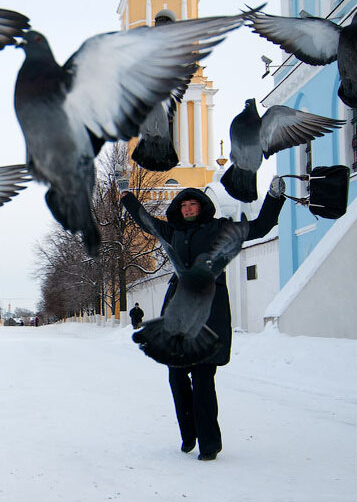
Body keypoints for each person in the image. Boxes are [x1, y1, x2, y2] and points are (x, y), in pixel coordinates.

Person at [120, 176, 285, 461]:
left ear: (203, 206)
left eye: (193, 203)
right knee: (176, 376)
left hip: (209, 310)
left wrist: (274, 196)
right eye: (183, 205)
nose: (187, 208)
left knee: (204, 378)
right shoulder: (172, 232)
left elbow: (260, 227)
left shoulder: (219, 228)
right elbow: (145, 221)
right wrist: (126, 196)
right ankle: (189, 435)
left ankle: (209, 443)